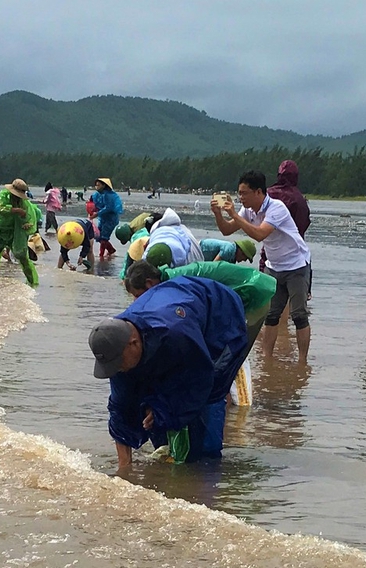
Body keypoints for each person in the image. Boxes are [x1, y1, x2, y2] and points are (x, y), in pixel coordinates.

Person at [91, 273, 253, 468]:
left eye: (118, 363)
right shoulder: (116, 347)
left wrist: (165, 410)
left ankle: (207, 471)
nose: (117, 369)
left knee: (206, 411)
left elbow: (199, 382)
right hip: (170, 309)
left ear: (133, 344)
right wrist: (124, 468)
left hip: (220, 317)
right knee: (153, 414)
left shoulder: (177, 334)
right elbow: (120, 407)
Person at [210, 169, 313, 360]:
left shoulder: (277, 208)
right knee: (271, 316)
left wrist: (234, 214)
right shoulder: (247, 211)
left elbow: (259, 234)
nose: (241, 198)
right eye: (239, 193)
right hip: (274, 266)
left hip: (296, 264)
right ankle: (267, 360)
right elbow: (226, 230)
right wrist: (218, 215)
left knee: (299, 315)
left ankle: (302, 362)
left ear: (259, 192)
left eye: (244, 193)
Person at [125, 258, 277, 348]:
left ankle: (231, 397)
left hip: (253, 295)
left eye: (138, 295)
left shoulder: (177, 286)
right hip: (244, 292)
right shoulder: (172, 279)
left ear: (150, 283)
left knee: (233, 350)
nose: (137, 301)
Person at [0, 180, 41, 286]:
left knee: (23, 257)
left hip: (14, 233)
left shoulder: (23, 203)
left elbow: (27, 217)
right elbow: (0, 209)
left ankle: (33, 282)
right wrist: (16, 210)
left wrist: (27, 224)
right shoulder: (4, 195)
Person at [89, 178, 124, 261]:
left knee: (104, 237)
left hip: (111, 219)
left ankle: (101, 255)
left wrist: (96, 214)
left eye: (98, 185)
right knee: (98, 236)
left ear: (104, 185)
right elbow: (93, 204)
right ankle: (111, 250)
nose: (96, 187)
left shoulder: (110, 195)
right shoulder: (96, 195)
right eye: (96, 185)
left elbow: (108, 207)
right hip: (102, 218)